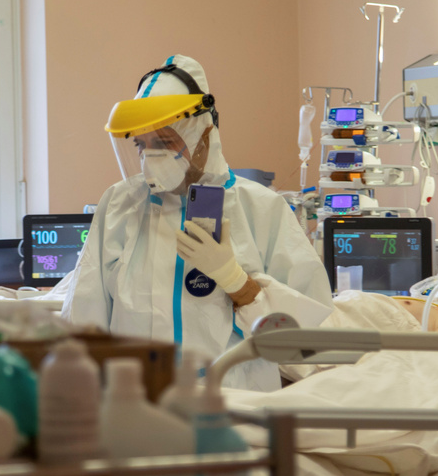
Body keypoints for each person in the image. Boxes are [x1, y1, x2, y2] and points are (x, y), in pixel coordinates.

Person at [62, 55, 333, 391]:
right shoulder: (120, 205)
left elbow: (306, 346)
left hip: (237, 404)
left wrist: (238, 283)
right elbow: (84, 319)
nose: (149, 159)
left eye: (164, 142)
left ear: (203, 136)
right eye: (141, 145)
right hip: (138, 401)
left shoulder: (262, 209)